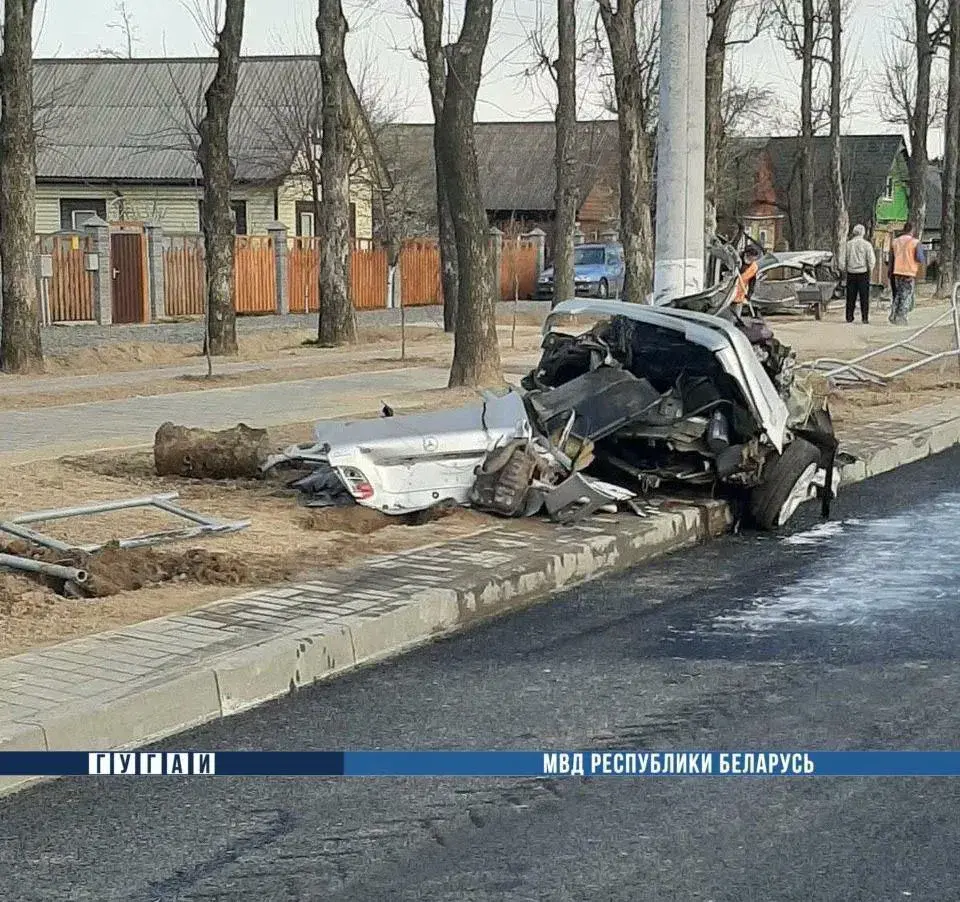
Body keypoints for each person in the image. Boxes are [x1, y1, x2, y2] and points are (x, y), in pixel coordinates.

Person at [888, 222, 926, 325]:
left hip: (897, 272)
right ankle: (901, 318)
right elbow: (920, 257)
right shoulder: (915, 242)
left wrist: (890, 271)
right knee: (907, 296)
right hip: (909, 273)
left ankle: (893, 314)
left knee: (898, 294)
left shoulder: (895, 242)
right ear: (912, 230)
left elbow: (891, 257)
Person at [844, 224, 876, 323]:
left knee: (850, 296)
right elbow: (871, 259)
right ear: (863, 232)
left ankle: (849, 317)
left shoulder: (848, 244)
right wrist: (870, 269)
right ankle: (864, 318)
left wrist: (844, 269)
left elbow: (844, 258)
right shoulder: (867, 245)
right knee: (864, 297)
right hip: (863, 272)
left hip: (851, 272)